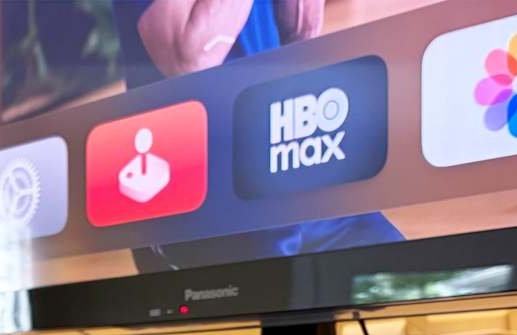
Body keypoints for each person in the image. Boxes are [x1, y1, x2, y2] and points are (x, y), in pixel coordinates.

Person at [113, 0, 403, 272]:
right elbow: (191, 58)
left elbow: (300, 31)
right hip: (203, 191)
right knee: (281, 296)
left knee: (403, 279)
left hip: (284, 162)